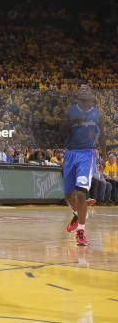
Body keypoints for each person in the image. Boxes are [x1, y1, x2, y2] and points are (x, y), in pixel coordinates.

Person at [62, 85, 106, 246]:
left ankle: (81, 232)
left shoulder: (97, 113)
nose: (84, 90)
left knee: (80, 194)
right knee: (68, 195)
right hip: (70, 153)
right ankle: (79, 212)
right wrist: (73, 121)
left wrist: (104, 154)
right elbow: (61, 130)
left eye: (87, 89)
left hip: (87, 154)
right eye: (81, 89)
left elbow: (102, 135)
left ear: (91, 94)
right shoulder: (70, 111)